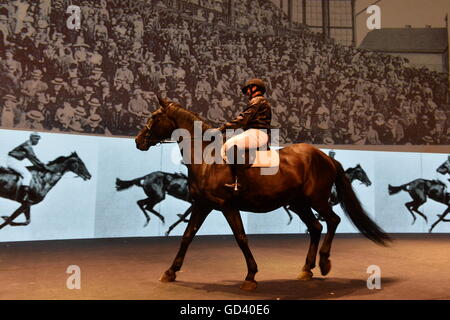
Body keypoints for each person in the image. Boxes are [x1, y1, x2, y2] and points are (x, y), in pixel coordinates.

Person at [218, 78, 272, 192]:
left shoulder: (257, 100)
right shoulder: (258, 101)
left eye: (248, 89)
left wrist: (222, 128)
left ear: (254, 88)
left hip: (258, 133)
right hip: (252, 132)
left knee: (231, 146)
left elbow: (242, 119)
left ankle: (240, 182)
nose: (247, 92)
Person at [6, 132, 49, 203]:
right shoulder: (27, 145)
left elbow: (32, 159)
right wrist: (43, 166)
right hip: (13, 160)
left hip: (14, 160)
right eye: (36, 139)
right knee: (27, 175)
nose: (37, 141)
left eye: (38, 139)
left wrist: (40, 166)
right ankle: (24, 195)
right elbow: (33, 156)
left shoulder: (28, 145)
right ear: (31, 138)